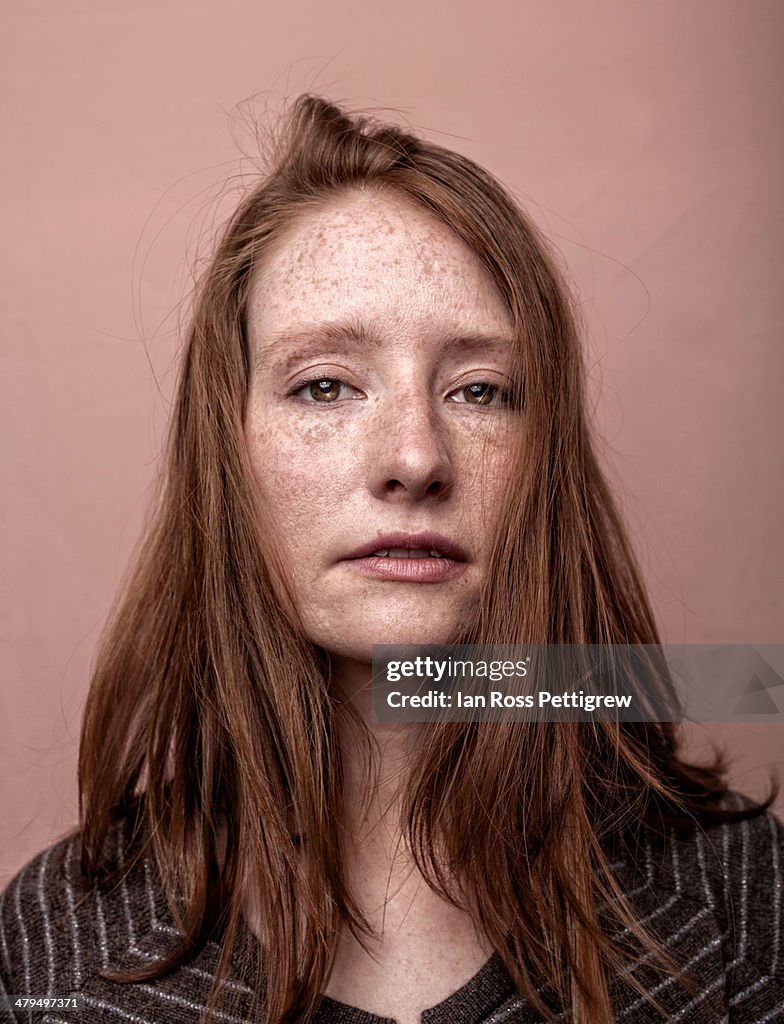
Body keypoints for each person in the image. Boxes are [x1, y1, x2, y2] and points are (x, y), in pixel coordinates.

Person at [1, 94, 782, 1024]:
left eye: (481, 391)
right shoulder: (58, 955)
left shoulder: (738, 909)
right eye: (325, 385)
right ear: (229, 456)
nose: (415, 457)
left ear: (548, 460)